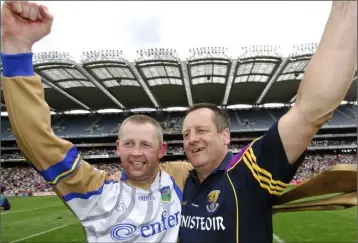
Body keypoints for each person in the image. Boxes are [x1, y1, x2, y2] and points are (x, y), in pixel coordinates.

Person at [1, 1, 192, 242]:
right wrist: (17, 49)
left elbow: (231, 162)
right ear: (117, 147)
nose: (136, 152)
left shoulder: (181, 175)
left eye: (146, 144)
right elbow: (37, 142)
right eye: (129, 143)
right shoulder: (93, 189)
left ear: (162, 150)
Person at [179, 1, 357, 242]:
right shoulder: (183, 182)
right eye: (186, 134)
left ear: (225, 135)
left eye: (201, 130)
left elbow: (310, 111)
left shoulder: (250, 170)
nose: (192, 139)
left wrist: (345, 10)